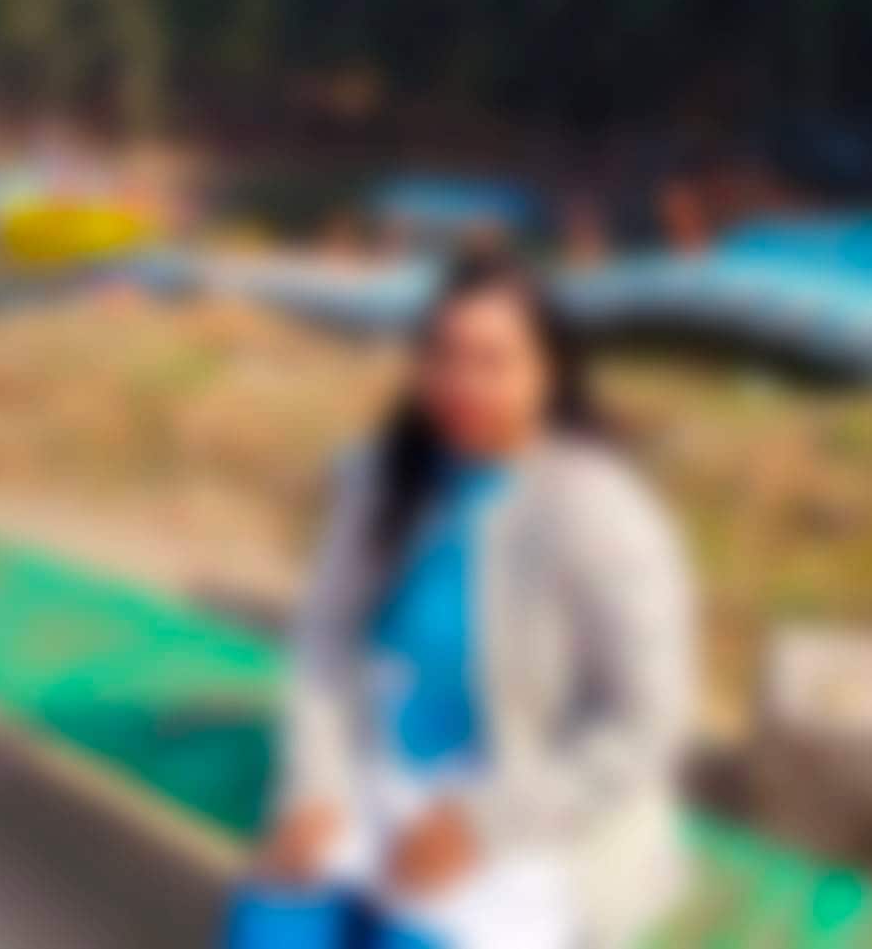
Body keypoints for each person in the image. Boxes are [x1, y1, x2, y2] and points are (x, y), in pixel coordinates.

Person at [228, 252, 693, 949]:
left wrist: (481, 825)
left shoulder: (600, 514)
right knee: (268, 929)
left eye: (493, 361)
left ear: (549, 373)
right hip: (374, 774)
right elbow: (325, 636)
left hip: (533, 811)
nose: (461, 383)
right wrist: (315, 786)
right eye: (442, 355)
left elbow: (647, 724)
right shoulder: (386, 475)